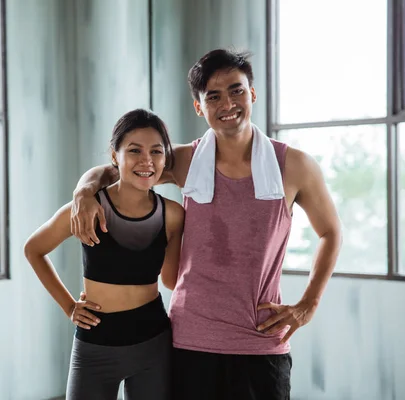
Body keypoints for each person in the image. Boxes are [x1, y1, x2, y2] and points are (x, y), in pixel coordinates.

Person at [70, 49, 342, 399]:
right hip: (190, 341)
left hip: (259, 343)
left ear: (253, 94)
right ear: (200, 107)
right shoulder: (185, 160)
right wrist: (83, 191)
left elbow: (330, 232)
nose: (227, 103)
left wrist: (308, 305)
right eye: (213, 96)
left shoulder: (294, 166)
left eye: (236, 90)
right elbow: (115, 169)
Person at [24, 108, 185, 400]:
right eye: (134, 150)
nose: (147, 160)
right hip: (95, 345)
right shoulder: (89, 207)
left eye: (156, 151)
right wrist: (69, 306)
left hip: (153, 342)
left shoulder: (173, 215)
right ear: (115, 156)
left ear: (165, 158)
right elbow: (34, 249)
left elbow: (171, 280)